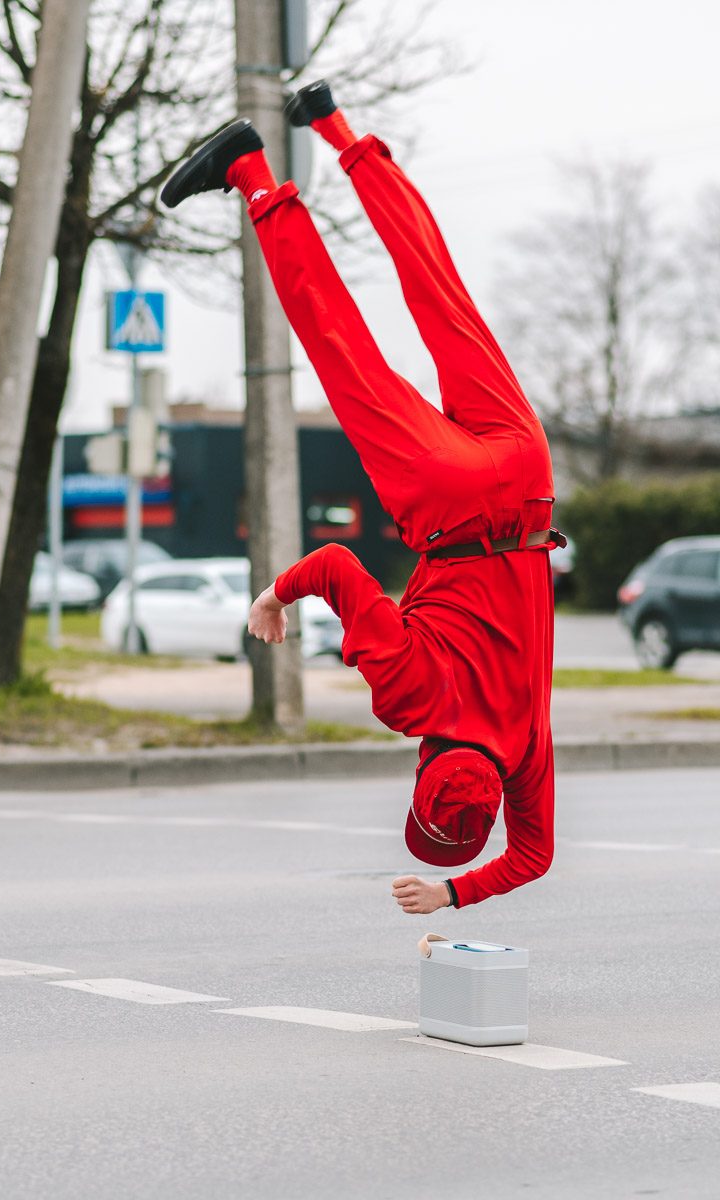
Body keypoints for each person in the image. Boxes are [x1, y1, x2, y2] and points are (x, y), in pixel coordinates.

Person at [161, 80, 565, 916]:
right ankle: (251, 173)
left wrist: (457, 891)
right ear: (421, 777)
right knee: (340, 343)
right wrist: (275, 595)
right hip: (447, 506)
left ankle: (335, 125)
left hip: (529, 488)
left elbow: (536, 854)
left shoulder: (522, 751)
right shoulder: (414, 698)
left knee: (440, 293)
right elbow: (342, 567)